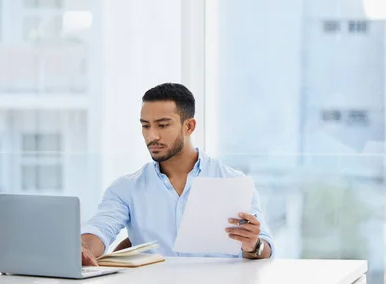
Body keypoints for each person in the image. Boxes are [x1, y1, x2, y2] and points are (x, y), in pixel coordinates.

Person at [81, 83, 274, 265]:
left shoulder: (234, 182)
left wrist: (253, 245)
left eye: (162, 125)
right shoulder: (125, 189)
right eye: (145, 126)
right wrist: (84, 249)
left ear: (189, 126)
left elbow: (265, 248)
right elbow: (100, 229)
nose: (152, 136)